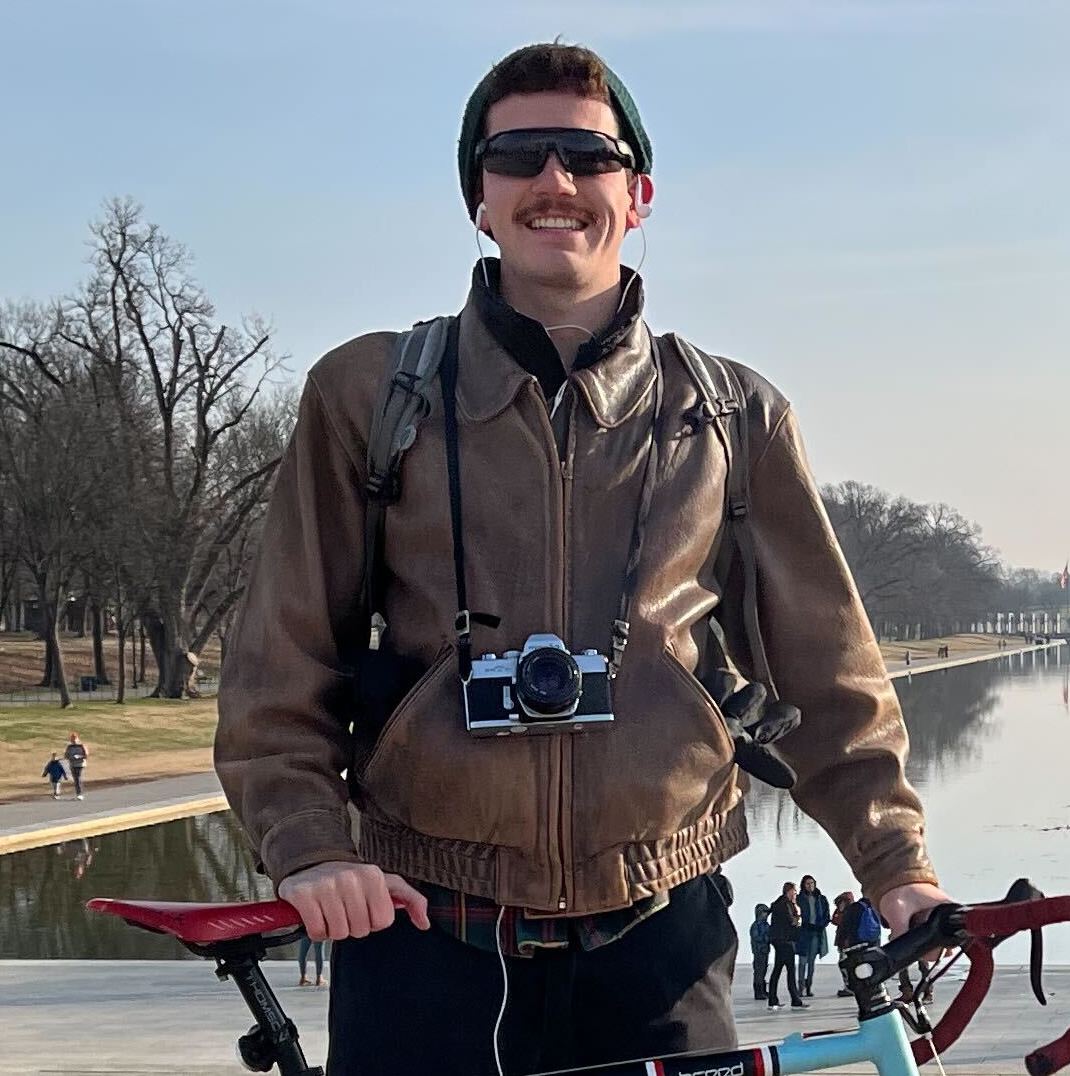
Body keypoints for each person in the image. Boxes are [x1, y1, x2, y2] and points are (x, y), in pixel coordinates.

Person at [214, 41, 949, 1075]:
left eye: (586, 155)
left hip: (660, 944)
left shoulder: (732, 415)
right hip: (423, 939)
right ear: (478, 196)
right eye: (517, 154)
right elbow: (277, 670)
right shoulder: (370, 397)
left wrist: (894, 865)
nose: (553, 180)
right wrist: (311, 846)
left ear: (637, 193)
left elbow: (830, 678)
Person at [767, 882, 806, 1010]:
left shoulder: (781, 904)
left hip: (780, 940)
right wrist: (798, 915)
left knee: (778, 969)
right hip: (785, 941)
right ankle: (795, 999)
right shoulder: (785, 905)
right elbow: (792, 922)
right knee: (789, 970)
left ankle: (773, 999)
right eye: (794, 891)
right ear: (789, 891)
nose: (795, 894)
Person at [795, 874, 830, 998]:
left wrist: (821, 925)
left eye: (812, 883)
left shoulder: (821, 899)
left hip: (816, 933)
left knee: (811, 962)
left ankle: (808, 986)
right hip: (803, 933)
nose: (810, 886)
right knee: (802, 961)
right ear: (803, 885)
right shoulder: (799, 899)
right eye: (807, 884)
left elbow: (826, 916)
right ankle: (800, 987)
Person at [832, 889, 856, 998]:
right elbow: (834, 920)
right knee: (844, 964)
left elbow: (841, 922)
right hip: (843, 942)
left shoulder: (850, 912)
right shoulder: (842, 911)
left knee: (845, 964)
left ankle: (850, 986)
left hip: (848, 943)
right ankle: (849, 986)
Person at [749, 903, 772, 1001]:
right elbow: (756, 937)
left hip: (765, 950)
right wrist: (766, 938)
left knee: (763, 970)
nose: (765, 915)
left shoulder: (766, 924)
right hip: (758, 951)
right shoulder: (756, 926)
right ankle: (758, 991)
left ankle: (762, 989)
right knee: (759, 971)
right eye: (764, 913)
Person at [63, 733, 88, 800]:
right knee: (75, 779)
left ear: (77, 739)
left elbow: (86, 755)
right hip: (72, 764)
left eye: (75, 739)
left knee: (78, 777)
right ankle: (78, 793)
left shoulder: (81, 746)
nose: (73, 741)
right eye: (72, 739)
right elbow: (66, 755)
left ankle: (80, 794)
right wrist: (70, 757)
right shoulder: (69, 747)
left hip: (80, 764)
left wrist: (79, 756)